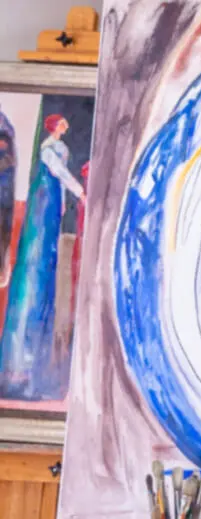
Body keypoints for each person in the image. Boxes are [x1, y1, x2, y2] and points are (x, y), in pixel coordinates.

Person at [0, 114, 86, 400]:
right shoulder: (49, 149)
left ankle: (32, 372)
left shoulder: (55, 149)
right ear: (53, 127)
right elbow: (59, 173)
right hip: (42, 212)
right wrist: (79, 191)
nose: (66, 126)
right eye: (63, 123)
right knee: (34, 278)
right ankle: (17, 370)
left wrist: (65, 203)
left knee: (44, 281)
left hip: (51, 212)